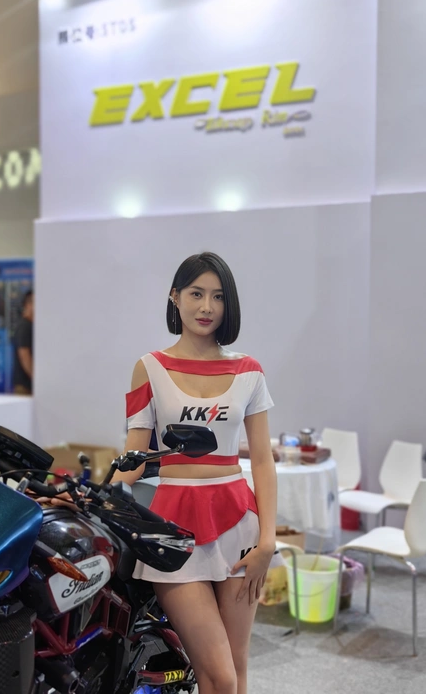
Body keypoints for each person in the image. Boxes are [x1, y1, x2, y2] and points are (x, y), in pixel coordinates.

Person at [115, 252, 280, 694]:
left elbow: (262, 460)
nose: (207, 307)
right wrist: (82, 497)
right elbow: (135, 457)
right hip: (173, 530)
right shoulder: (149, 367)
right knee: (218, 674)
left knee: (237, 667)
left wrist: (268, 541)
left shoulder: (249, 370)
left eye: (218, 297)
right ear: (175, 297)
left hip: (240, 523)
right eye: (196, 294)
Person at [12, 290, 34, 395]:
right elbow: (24, 355)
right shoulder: (24, 327)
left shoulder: (30, 325)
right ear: (28, 305)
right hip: (25, 387)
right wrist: (36, 379)